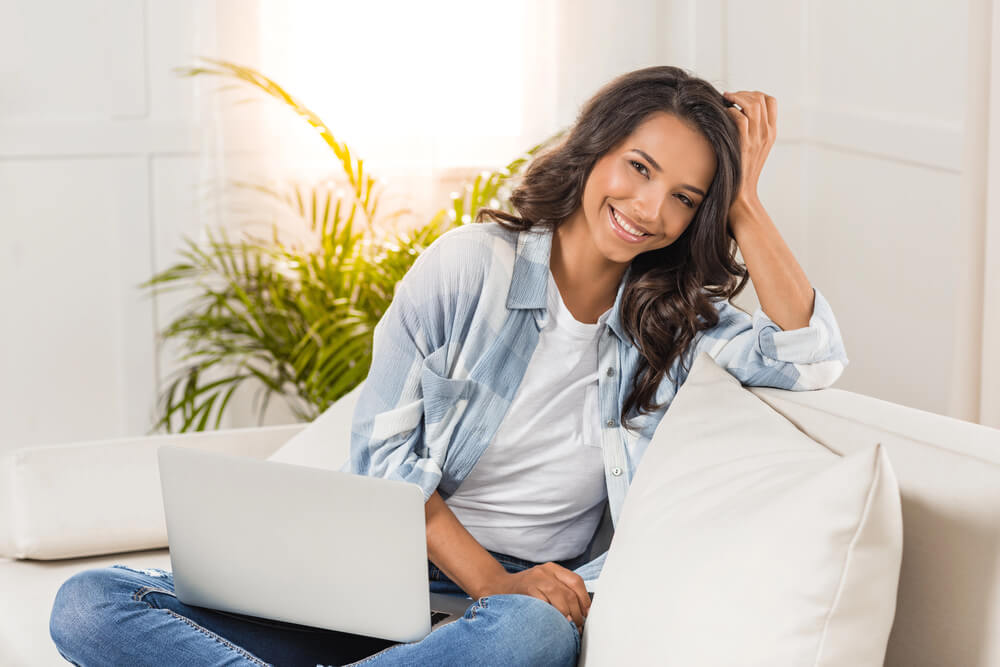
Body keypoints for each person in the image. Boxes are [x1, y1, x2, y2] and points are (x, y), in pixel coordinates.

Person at [48, 65, 848, 666]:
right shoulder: (468, 268)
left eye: (685, 196)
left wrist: (743, 198)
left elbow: (811, 356)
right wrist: (487, 579)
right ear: (596, 145)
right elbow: (386, 462)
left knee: (534, 633)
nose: (649, 209)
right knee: (88, 604)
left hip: (511, 613)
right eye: (639, 168)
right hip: (382, 577)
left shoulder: (672, 323)